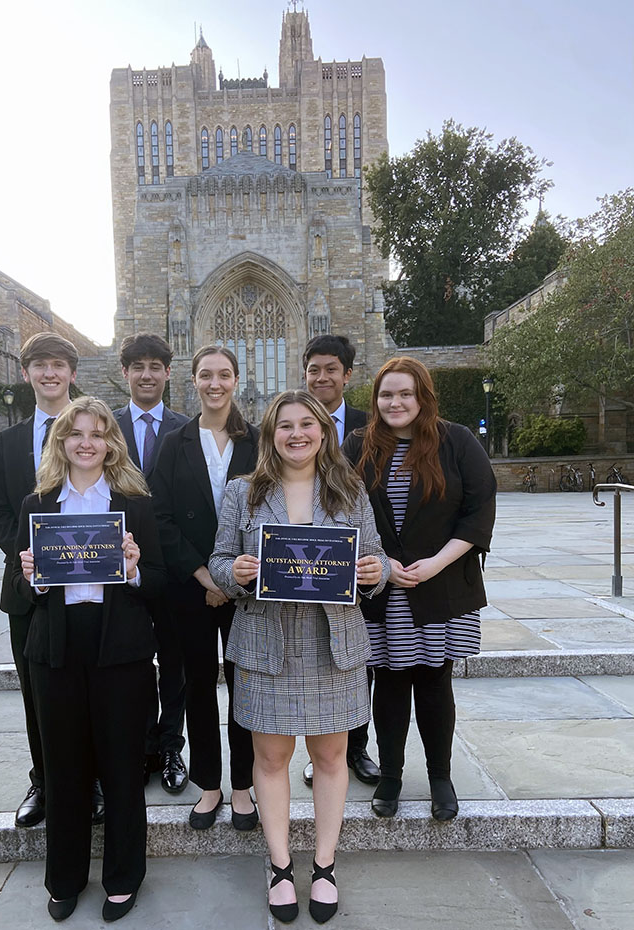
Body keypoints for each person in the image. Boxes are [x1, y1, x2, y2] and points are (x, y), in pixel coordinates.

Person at [209, 389, 389, 924]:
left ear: (323, 432)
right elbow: (218, 560)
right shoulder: (242, 493)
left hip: (332, 647)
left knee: (332, 759)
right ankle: (281, 865)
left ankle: (327, 865)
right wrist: (235, 573)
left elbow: (374, 556)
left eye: (306, 424)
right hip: (266, 647)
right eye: (284, 426)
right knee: (271, 760)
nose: (296, 434)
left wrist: (375, 573)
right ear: (270, 435)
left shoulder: (349, 489)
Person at [14, 396, 166, 923]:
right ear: (61, 442)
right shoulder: (38, 504)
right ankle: (65, 877)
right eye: (75, 433)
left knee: (123, 766)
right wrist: (31, 575)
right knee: (64, 767)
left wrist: (133, 568)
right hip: (55, 649)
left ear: (110, 443)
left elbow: (161, 584)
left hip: (118, 647)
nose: (86, 442)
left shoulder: (135, 504)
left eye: (96, 434)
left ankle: (123, 877)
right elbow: (18, 588)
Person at [342, 356, 496, 822]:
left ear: (422, 397)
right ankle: (390, 776)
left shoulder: (457, 442)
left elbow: (478, 510)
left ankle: (439, 777)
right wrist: (382, 563)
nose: (395, 402)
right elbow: (340, 513)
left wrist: (434, 565)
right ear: (375, 400)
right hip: (381, 589)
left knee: (434, 684)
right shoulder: (356, 446)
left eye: (405, 393)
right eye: (386, 394)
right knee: (387, 687)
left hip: (441, 585)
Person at [0, 332, 103, 829]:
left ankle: (94, 780)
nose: (49, 374)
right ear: (26, 372)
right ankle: (46, 781)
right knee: (38, 693)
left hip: (91, 592)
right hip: (29, 593)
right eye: (39, 366)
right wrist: (30, 559)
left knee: (92, 691)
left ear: (72, 372)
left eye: (58, 365)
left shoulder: (95, 430)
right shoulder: (9, 442)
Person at [150, 345, 258, 832]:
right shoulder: (174, 442)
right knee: (196, 685)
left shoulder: (257, 441)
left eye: (224, 375)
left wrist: (231, 580)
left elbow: (268, 512)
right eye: (206, 375)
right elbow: (161, 518)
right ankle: (209, 784)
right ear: (192, 381)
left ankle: (242, 787)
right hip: (191, 586)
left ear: (236, 379)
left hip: (247, 588)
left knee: (244, 688)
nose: (215, 384)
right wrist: (203, 575)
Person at [113, 333, 189, 794]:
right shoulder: (105, 427)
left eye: (155, 366)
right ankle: (142, 745)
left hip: (173, 569)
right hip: (121, 569)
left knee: (175, 663)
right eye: (137, 366)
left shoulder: (186, 428)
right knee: (136, 662)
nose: (146, 374)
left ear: (166, 372)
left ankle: (170, 745)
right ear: (125, 373)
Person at [302, 334, 378, 789]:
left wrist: (375, 563)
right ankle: (319, 754)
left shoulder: (370, 427)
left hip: (354, 569)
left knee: (355, 663)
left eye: (331, 369)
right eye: (314, 369)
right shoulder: (290, 423)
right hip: (303, 569)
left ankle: (356, 746)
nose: (322, 377)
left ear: (347, 375)